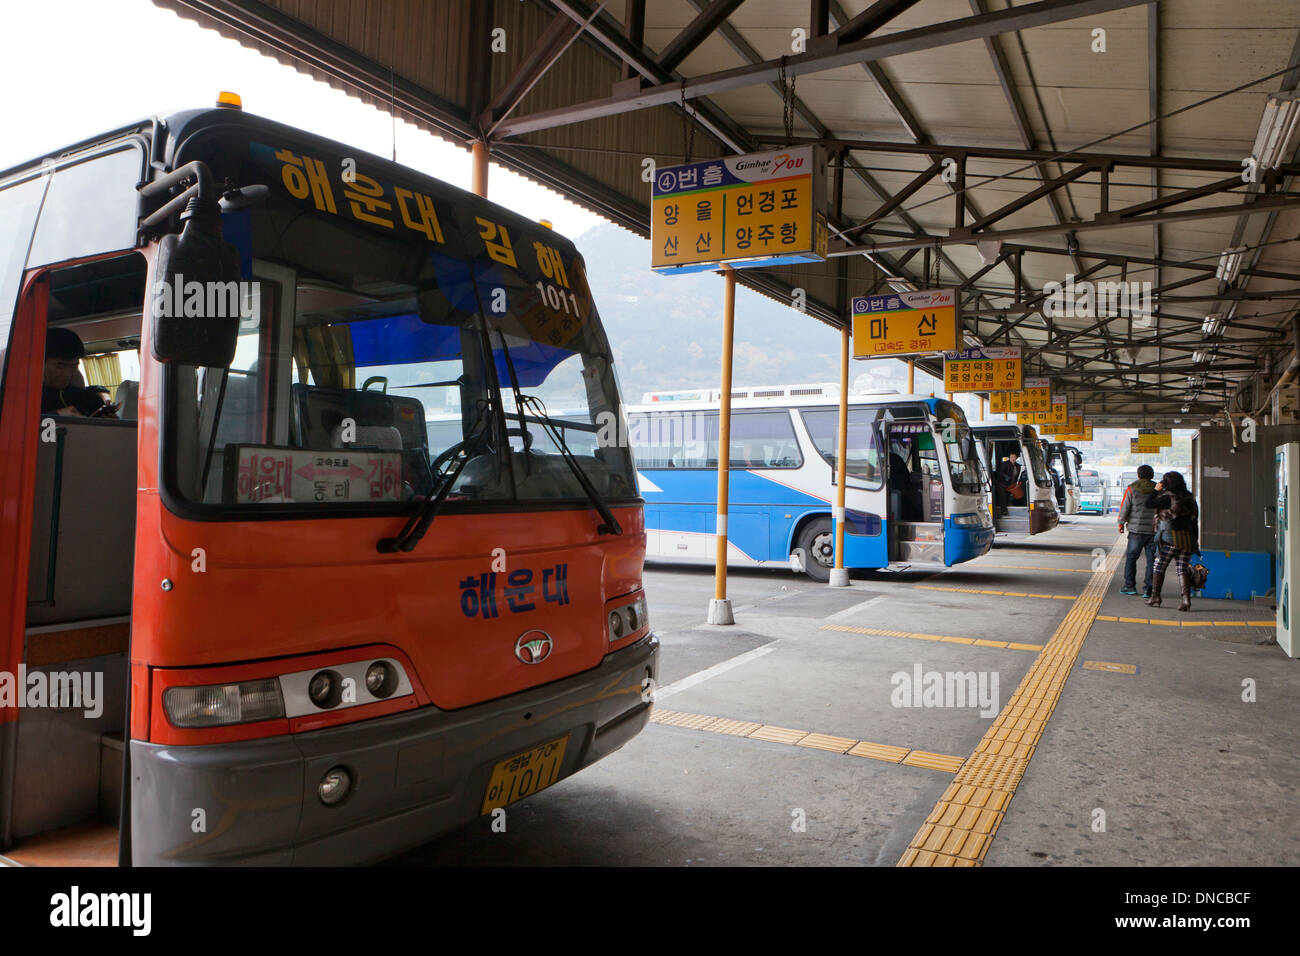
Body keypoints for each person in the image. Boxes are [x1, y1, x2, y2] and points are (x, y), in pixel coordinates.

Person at [1145, 470, 1200, 611]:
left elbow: (1148, 503)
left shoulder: (1168, 497)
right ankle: (1186, 600)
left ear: (1166, 483)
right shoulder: (1189, 497)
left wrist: (1155, 489)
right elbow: (1195, 520)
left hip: (1169, 538)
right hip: (1187, 538)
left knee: (1159, 566)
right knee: (1182, 569)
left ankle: (1156, 597)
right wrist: (1196, 540)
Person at [40, 328, 116, 418]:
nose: (68, 373)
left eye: (74, 366)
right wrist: (56, 416)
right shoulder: (27, 398)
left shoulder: (91, 400)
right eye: (60, 366)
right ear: (41, 364)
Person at [1117, 464, 1158, 597]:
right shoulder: (1157, 489)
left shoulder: (1131, 488)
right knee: (1152, 560)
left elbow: (1125, 506)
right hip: (1153, 530)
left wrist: (1121, 523)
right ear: (1151, 475)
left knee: (1131, 558)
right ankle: (1148, 589)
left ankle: (1130, 586)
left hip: (1136, 530)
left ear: (1138, 475)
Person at [993, 449, 1022, 516]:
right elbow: (1000, 473)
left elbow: (1017, 475)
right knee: (1003, 497)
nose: (1013, 459)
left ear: (1016, 458)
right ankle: (1003, 511)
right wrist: (1006, 478)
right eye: (1011, 457)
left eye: (1014, 457)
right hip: (1001, 484)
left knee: (1009, 497)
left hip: (1010, 485)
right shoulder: (1005, 464)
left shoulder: (1017, 466)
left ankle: (1009, 509)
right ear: (1009, 458)